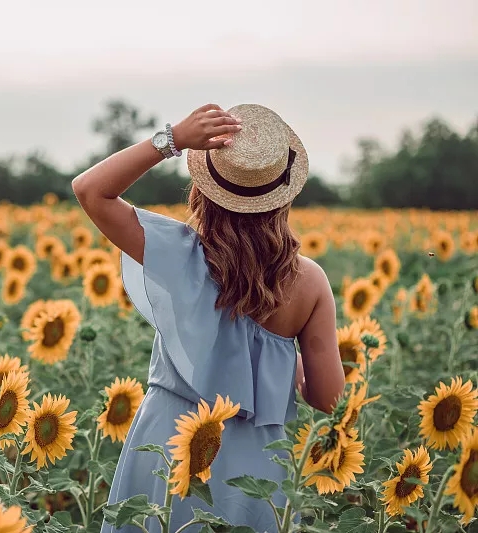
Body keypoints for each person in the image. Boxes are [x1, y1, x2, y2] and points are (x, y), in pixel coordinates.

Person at [72, 103, 345, 532]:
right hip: (256, 466)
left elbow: (90, 189)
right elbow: (329, 397)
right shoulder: (309, 282)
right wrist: (277, 363)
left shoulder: (178, 253)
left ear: (203, 189)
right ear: (284, 196)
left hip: (169, 441)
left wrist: (172, 139)